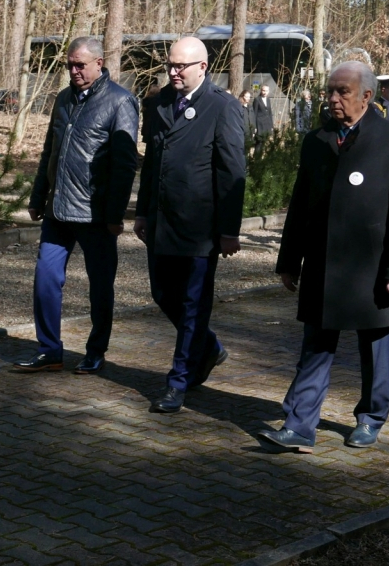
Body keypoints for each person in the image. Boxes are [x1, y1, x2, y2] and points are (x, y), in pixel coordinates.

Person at [260, 61, 389, 453]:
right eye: (330, 91)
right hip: (323, 264)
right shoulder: (317, 139)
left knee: (375, 348)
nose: (333, 99)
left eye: (342, 92)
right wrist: (288, 261)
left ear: (367, 96)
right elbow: (300, 205)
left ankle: (371, 417)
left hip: (374, 267)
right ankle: (299, 424)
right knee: (315, 346)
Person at [133, 37, 246, 413]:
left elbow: (232, 172)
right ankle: (209, 347)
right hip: (162, 222)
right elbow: (152, 162)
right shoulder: (160, 102)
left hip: (200, 228)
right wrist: (143, 212)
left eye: (181, 66)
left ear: (203, 67)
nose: (174, 72)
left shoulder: (222, 107)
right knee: (163, 294)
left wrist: (229, 230)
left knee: (193, 305)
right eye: (170, 65)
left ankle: (178, 382)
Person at [15, 37, 140, 374]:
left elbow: (125, 164)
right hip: (58, 210)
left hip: (96, 215)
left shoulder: (121, 102)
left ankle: (96, 350)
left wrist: (115, 215)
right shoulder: (63, 99)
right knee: (45, 278)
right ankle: (49, 350)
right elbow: (49, 152)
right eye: (69, 65)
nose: (73, 71)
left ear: (99, 63)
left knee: (100, 286)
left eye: (80, 65)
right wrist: (39, 196)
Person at [251, 84, 274, 155]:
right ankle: (256, 160)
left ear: (268, 91)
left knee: (264, 143)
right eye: (263, 90)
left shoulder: (268, 99)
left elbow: (270, 113)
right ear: (261, 91)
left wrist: (271, 125)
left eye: (266, 91)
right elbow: (254, 114)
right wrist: (254, 127)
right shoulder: (257, 100)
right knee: (259, 143)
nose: (265, 92)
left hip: (267, 124)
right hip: (259, 125)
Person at [239, 90, 255, 154]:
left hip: (250, 131)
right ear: (243, 96)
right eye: (247, 97)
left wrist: (254, 129)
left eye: (249, 97)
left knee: (248, 149)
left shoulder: (250, 107)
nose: (248, 98)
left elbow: (253, 118)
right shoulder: (240, 107)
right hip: (243, 131)